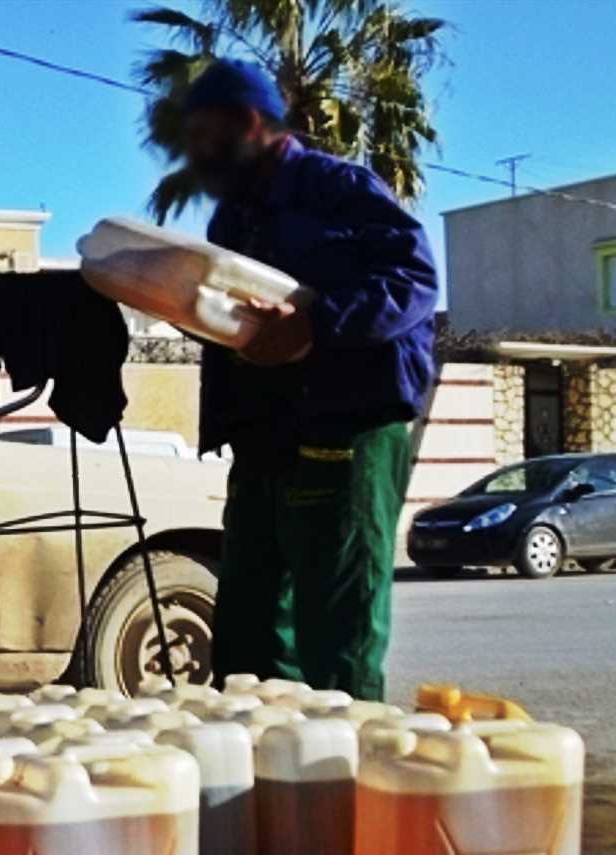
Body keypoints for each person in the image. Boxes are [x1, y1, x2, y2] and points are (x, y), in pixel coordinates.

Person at [182, 60, 439, 701]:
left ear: (249, 124)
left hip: (347, 429)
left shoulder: (339, 189)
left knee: (337, 638)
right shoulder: (230, 223)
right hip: (265, 435)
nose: (197, 154)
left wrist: (316, 323)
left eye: (207, 135)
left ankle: (342, 783)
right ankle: (259, 786)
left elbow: (413, 282)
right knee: (248, 634)